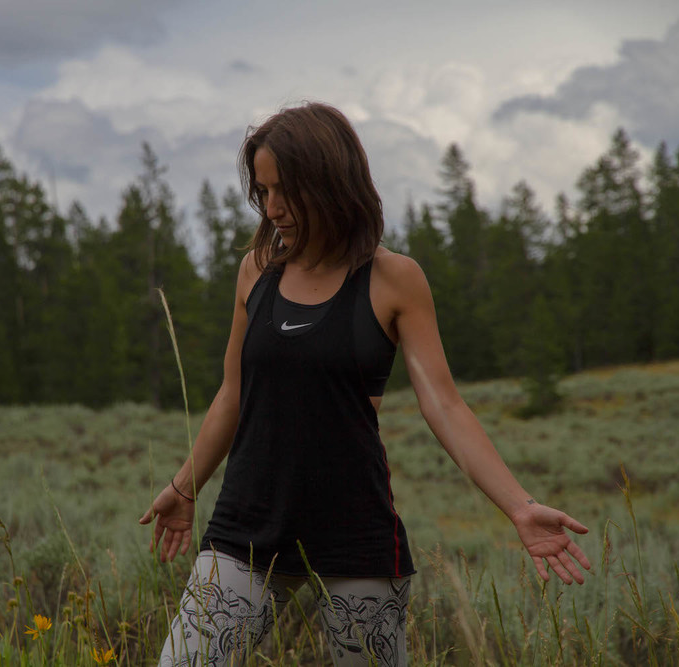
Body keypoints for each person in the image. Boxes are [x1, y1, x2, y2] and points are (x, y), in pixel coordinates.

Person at [139, 101, 591, 667]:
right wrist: (184, 490)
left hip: (355, 536)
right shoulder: (256, 269)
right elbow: (233, 394)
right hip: (245, 528)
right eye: (263, 191)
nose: (273, 207)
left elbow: (444, 404)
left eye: (286, 191)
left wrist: (519, 507)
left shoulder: (393, 279)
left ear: (329, 182)